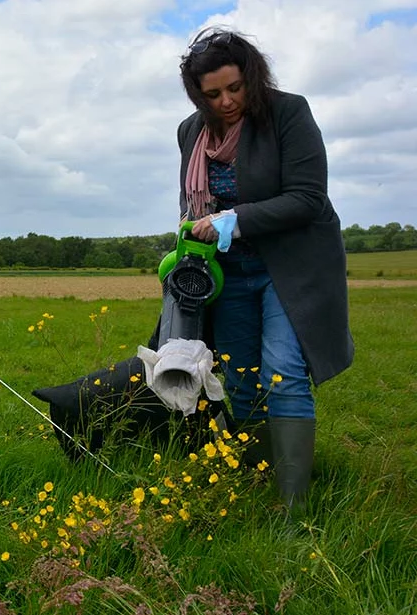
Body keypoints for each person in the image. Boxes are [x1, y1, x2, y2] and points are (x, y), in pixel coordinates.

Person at [175, 28, 354, 507]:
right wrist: (190, 234)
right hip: (229, 272)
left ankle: (294, 507)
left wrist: (234, 218)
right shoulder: (190, 131)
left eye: (235, 88)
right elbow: (193, 204)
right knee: (239, 375)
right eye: (212, 94)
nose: (227, 101)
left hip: (290, 266)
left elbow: (307, 198)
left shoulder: (288, 112)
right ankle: (260, 483)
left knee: (283, 370)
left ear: (252, 76)